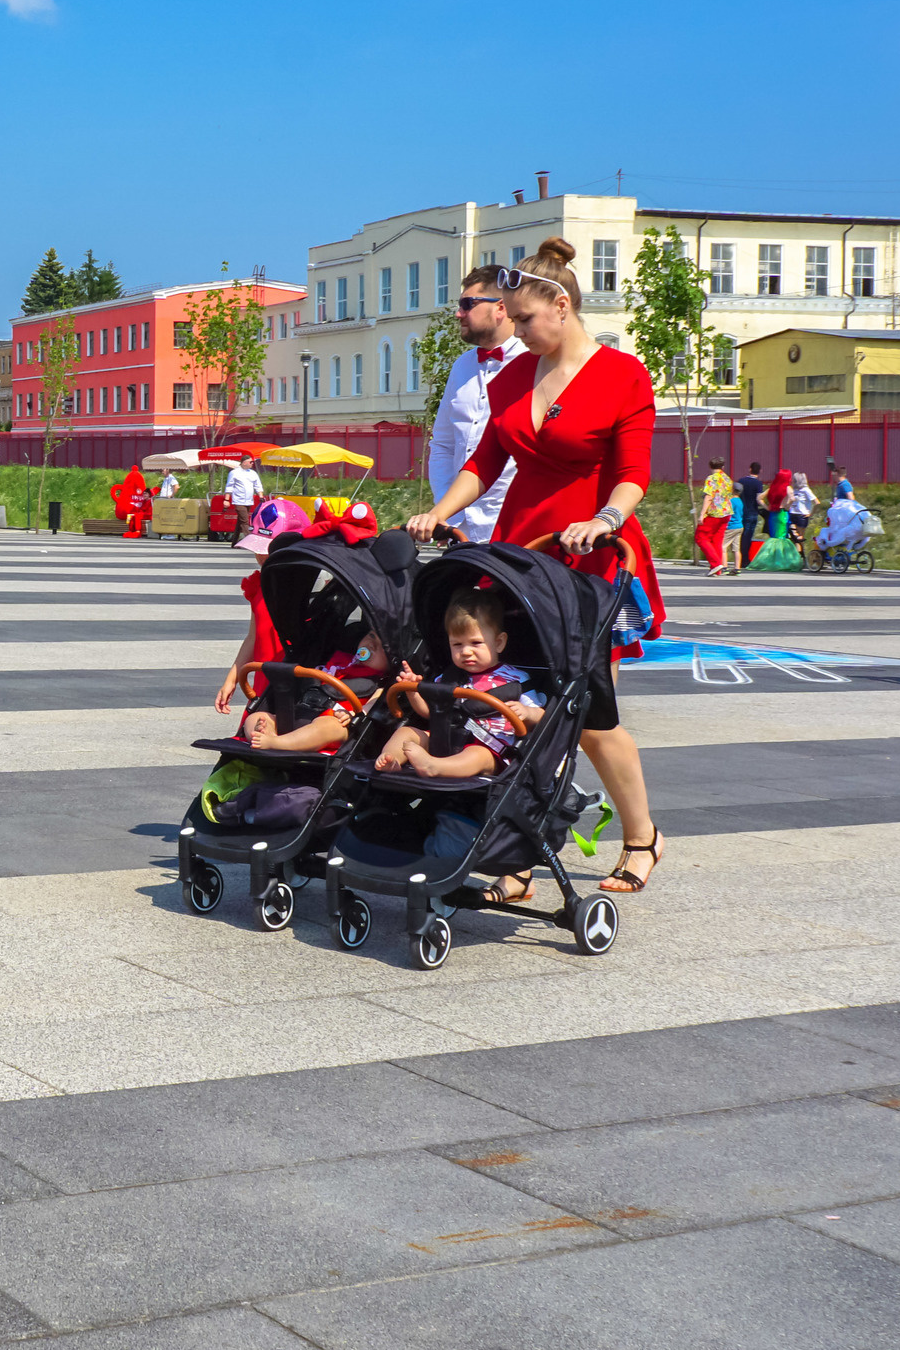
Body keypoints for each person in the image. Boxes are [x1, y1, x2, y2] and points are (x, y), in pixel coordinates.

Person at [405, 235, 665, 895]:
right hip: (526, 552)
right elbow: (486, 461)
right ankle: (518, 857)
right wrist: (441, 511)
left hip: (592, 556)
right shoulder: (520, 373)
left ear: (561, 303)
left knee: (589, 713)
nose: (516, 332)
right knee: (519, 703)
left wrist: (604, 520)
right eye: (511, 320)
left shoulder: (623, 373)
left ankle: (642, 838)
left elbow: (634, 476)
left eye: (524, 318)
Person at [375, 589, 547, 870]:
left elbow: (543, 716)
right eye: (457, 644)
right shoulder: (448, 677)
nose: (466, 651)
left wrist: (527, 713)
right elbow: (430, 713)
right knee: (409, 733)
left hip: (492, 748)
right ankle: (392, 759)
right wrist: (415, 691)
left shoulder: (516, 679)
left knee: (477, 755)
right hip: (446, 739)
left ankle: (433, 767)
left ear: (499, 642)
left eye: (476, 643)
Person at [425, 266, 526, 540]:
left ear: (501, 308)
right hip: (462, 530)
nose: (459, 313)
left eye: (467, 304)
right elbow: (443, 443)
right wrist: (447, 510)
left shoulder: (534, 364)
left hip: (514, 527)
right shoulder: (462, 366)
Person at [214, 497, 310, 714]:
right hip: (262, 675)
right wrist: (233, 678)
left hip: (293, 678)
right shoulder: (259, 583)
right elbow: (253, 636)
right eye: (258, 548)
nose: (260, 555)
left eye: (267, 549)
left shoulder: (310, 586)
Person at [239, 631, 390, 751]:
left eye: (382, 646)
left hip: (338, 721)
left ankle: (277, 743)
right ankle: (267, 733)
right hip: (303, 711)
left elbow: (371, 708)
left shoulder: (381, 682)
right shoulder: (338, 662)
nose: (372, 644)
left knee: (328, 727)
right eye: (371, 635)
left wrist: (353, 715)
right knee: (256, 716)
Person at [695, 459, 733, 575]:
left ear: (710, 465)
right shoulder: (727, 479)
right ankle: (717, 569)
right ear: (723, 466)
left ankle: (715, 564)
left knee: (700, 537)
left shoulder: (711, 478)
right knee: (717, 540)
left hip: (714, 513)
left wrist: (702, 514)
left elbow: (709, 497)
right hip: (726, 512)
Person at [734, 460, 765, 568]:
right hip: (753, 512)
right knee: (748, 536)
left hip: (742, 511)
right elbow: (758, 499)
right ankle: (745, 560)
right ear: (760, 471)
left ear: (750, 469)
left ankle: (741, 558)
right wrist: (766, 507)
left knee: (742, 536)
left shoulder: (741, 481)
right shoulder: (758, 484)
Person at [222, 456, 262, 538]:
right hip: (238, 500)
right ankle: (249, 540)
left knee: (240, 521)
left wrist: (260, 496)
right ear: (244, 462)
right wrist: (226, 499)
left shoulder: (253, 473)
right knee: (245, 521)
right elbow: (229, 486)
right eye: (250, 462)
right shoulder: (235, 473)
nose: (252, 463)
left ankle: (235, 541)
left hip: (249, 501)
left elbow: (258, 486)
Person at [785, 471, 815, 545]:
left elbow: (817, 502)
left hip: (801, 515)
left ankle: (800, 555)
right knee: (792, 538)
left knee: (798, 539)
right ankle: (794, 553)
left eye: (794, 480)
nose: (792, 481)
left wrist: (811, 513)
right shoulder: (794, 490)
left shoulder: (805, 490)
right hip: (792, 514)